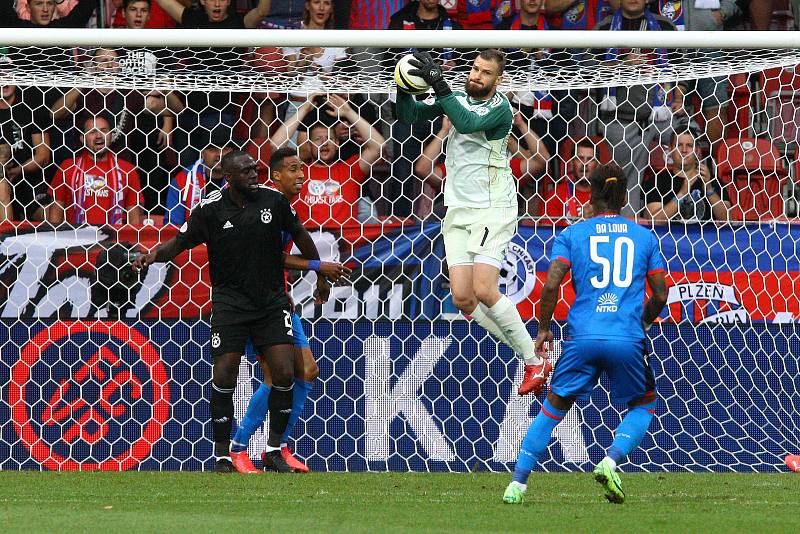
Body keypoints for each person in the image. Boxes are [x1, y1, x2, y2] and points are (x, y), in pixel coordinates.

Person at [132, 150, 329, 473]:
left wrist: (319, 271)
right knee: (225, 375)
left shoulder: (273, 202)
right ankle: (224, 454)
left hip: (271, 303)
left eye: (255, 169)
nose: (254, 175)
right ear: (229, 177)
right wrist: (152, 256)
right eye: (247, 171)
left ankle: (274, 449)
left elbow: (300, 236)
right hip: (230, 305)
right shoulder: (209, 209)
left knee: (283, 373)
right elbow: (178, 244)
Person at [502, 162, 669, 504]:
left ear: (590, 196)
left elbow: (550, 284)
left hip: (582, 338)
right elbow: (661, 294)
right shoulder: (643, 235)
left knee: (554, 407)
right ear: (624, 196)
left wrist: (544, 328)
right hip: (626, 338)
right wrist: (644, 321)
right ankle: (610, 461)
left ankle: (517, 485)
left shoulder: (572, 234)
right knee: (645, 404)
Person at [396, 49, 551, 395]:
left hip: (492, 206)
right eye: (475, 69)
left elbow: (465, 123)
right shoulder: (458, 98)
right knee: (464, 299)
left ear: (499, 80)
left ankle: (532, 360)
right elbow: (407, 116)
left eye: (485, 72)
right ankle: (532, 355)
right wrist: (403, 86)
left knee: (484, 289)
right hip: (458, 208)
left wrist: (437, 83)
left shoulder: (500, 109)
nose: (477, 76)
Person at [229, 146, 352, 474]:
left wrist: (320, 276)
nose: (301, 176)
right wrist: (317, 266)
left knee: (306, 371)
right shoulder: (261, 205)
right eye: (294, 170)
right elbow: (267, 255)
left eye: (302, 169)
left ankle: (277, 447)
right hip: (253, 302)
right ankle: (238, 449)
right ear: (276, 175)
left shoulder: (284, 206)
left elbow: (299, 246)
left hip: (279, 299)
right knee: (275, 375)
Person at [595, 0, 678, 217]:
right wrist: (622, 63)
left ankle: (688, 214)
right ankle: (626, 227)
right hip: (620, 119)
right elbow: (588, 71)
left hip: (662, 115)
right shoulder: (604, 28)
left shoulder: (664, 26)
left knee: (690, 144)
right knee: (623, 183)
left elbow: (682, 66)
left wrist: (681, 95)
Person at [271, 94, 385, 229]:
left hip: (341, 245)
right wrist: (305, 108)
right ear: (309, 145)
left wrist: (348, 112)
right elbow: (275, 146)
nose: (324, 143)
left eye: (329, 138)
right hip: (307, 245)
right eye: (318, 139)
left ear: (337, 143)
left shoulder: (350, 171)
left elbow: (378, 146)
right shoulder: (297, 171)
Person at [414, 114, 549, 219]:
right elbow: (422, 169)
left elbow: (541, 160)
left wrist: (521, 125)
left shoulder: (504, 168)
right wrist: (444, 131)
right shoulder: (456, 167)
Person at [49, 115, 144, 225]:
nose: (99, 136)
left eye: (104, 130)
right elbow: (55, 215)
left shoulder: (127, 170)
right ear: (82, 139)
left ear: (111, 136)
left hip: (113, 240)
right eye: (93, 132)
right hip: (76, 240)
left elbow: (134, 219)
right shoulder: (68, 167)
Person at [644, 129, 730, 223]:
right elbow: (655, 222)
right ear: (670, 149)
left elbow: (728, 220)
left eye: (689, 146)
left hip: (707, 237)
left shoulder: (712, 180)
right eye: (679, 145)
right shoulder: (656, 182)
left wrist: (709, 189)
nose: (684, 150)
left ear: (697, 150)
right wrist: (681, 194)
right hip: (670, 237)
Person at [0, 85, 51, 222]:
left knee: (49, 214)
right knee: (2, 186)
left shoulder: (32, 106)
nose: (4, 82)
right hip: (1, 180)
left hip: (29, 180)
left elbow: (43, 156)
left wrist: (17, 170)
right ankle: (6, 241)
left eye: (8, 76)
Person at [163, 128, 231, 225]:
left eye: (225, 149)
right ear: (202, 152)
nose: (220, 154)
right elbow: (173, 224)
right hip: (191, 239)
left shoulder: (241, 178)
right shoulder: (183, 179)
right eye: (213, 149)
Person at [539, 137, 599, 219]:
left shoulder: (604, 196)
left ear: (598, 166)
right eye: (579, 159)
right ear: (571, 163)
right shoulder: (556, 196)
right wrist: (581, 222)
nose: (584, 164)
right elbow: (546, 231)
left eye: (590, 159)